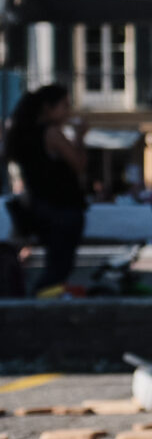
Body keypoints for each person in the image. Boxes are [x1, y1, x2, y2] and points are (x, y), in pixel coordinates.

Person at [4, 85, 88, 295]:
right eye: (65, 106)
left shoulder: (22, 134)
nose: (68, 112)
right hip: (63, 208)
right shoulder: (51, 133)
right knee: (59, 268)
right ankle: (39, 306)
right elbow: (78, 164)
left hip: (41, 207)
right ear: (48, 108)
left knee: (54, 265)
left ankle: (36, 303)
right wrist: (80, 137)